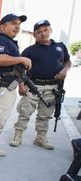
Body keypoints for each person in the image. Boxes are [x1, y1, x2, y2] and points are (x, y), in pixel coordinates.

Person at [9, 20, 71, 150]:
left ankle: (40, 138)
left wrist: (65, 70)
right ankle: (18, 136)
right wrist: (21, 85)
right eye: (39, 32)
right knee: (24, 113)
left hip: (52, 88)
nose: (43, 33)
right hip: (33, 86)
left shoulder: (60, 46)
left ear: (50, 30)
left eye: (45, 30)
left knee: (45, 115)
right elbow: (18, 69)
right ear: (34, 35)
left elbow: (67, 61)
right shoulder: (30, 50)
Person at [0, 13, 31, 165]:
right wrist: (22, 58)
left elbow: (15, 68)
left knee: (0, 121)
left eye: (19, 24)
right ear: (2, 26)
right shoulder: (1, 41)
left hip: (7, 90)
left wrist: (21, 84)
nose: (17, 26)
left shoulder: (10, 42)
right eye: (13, 23)